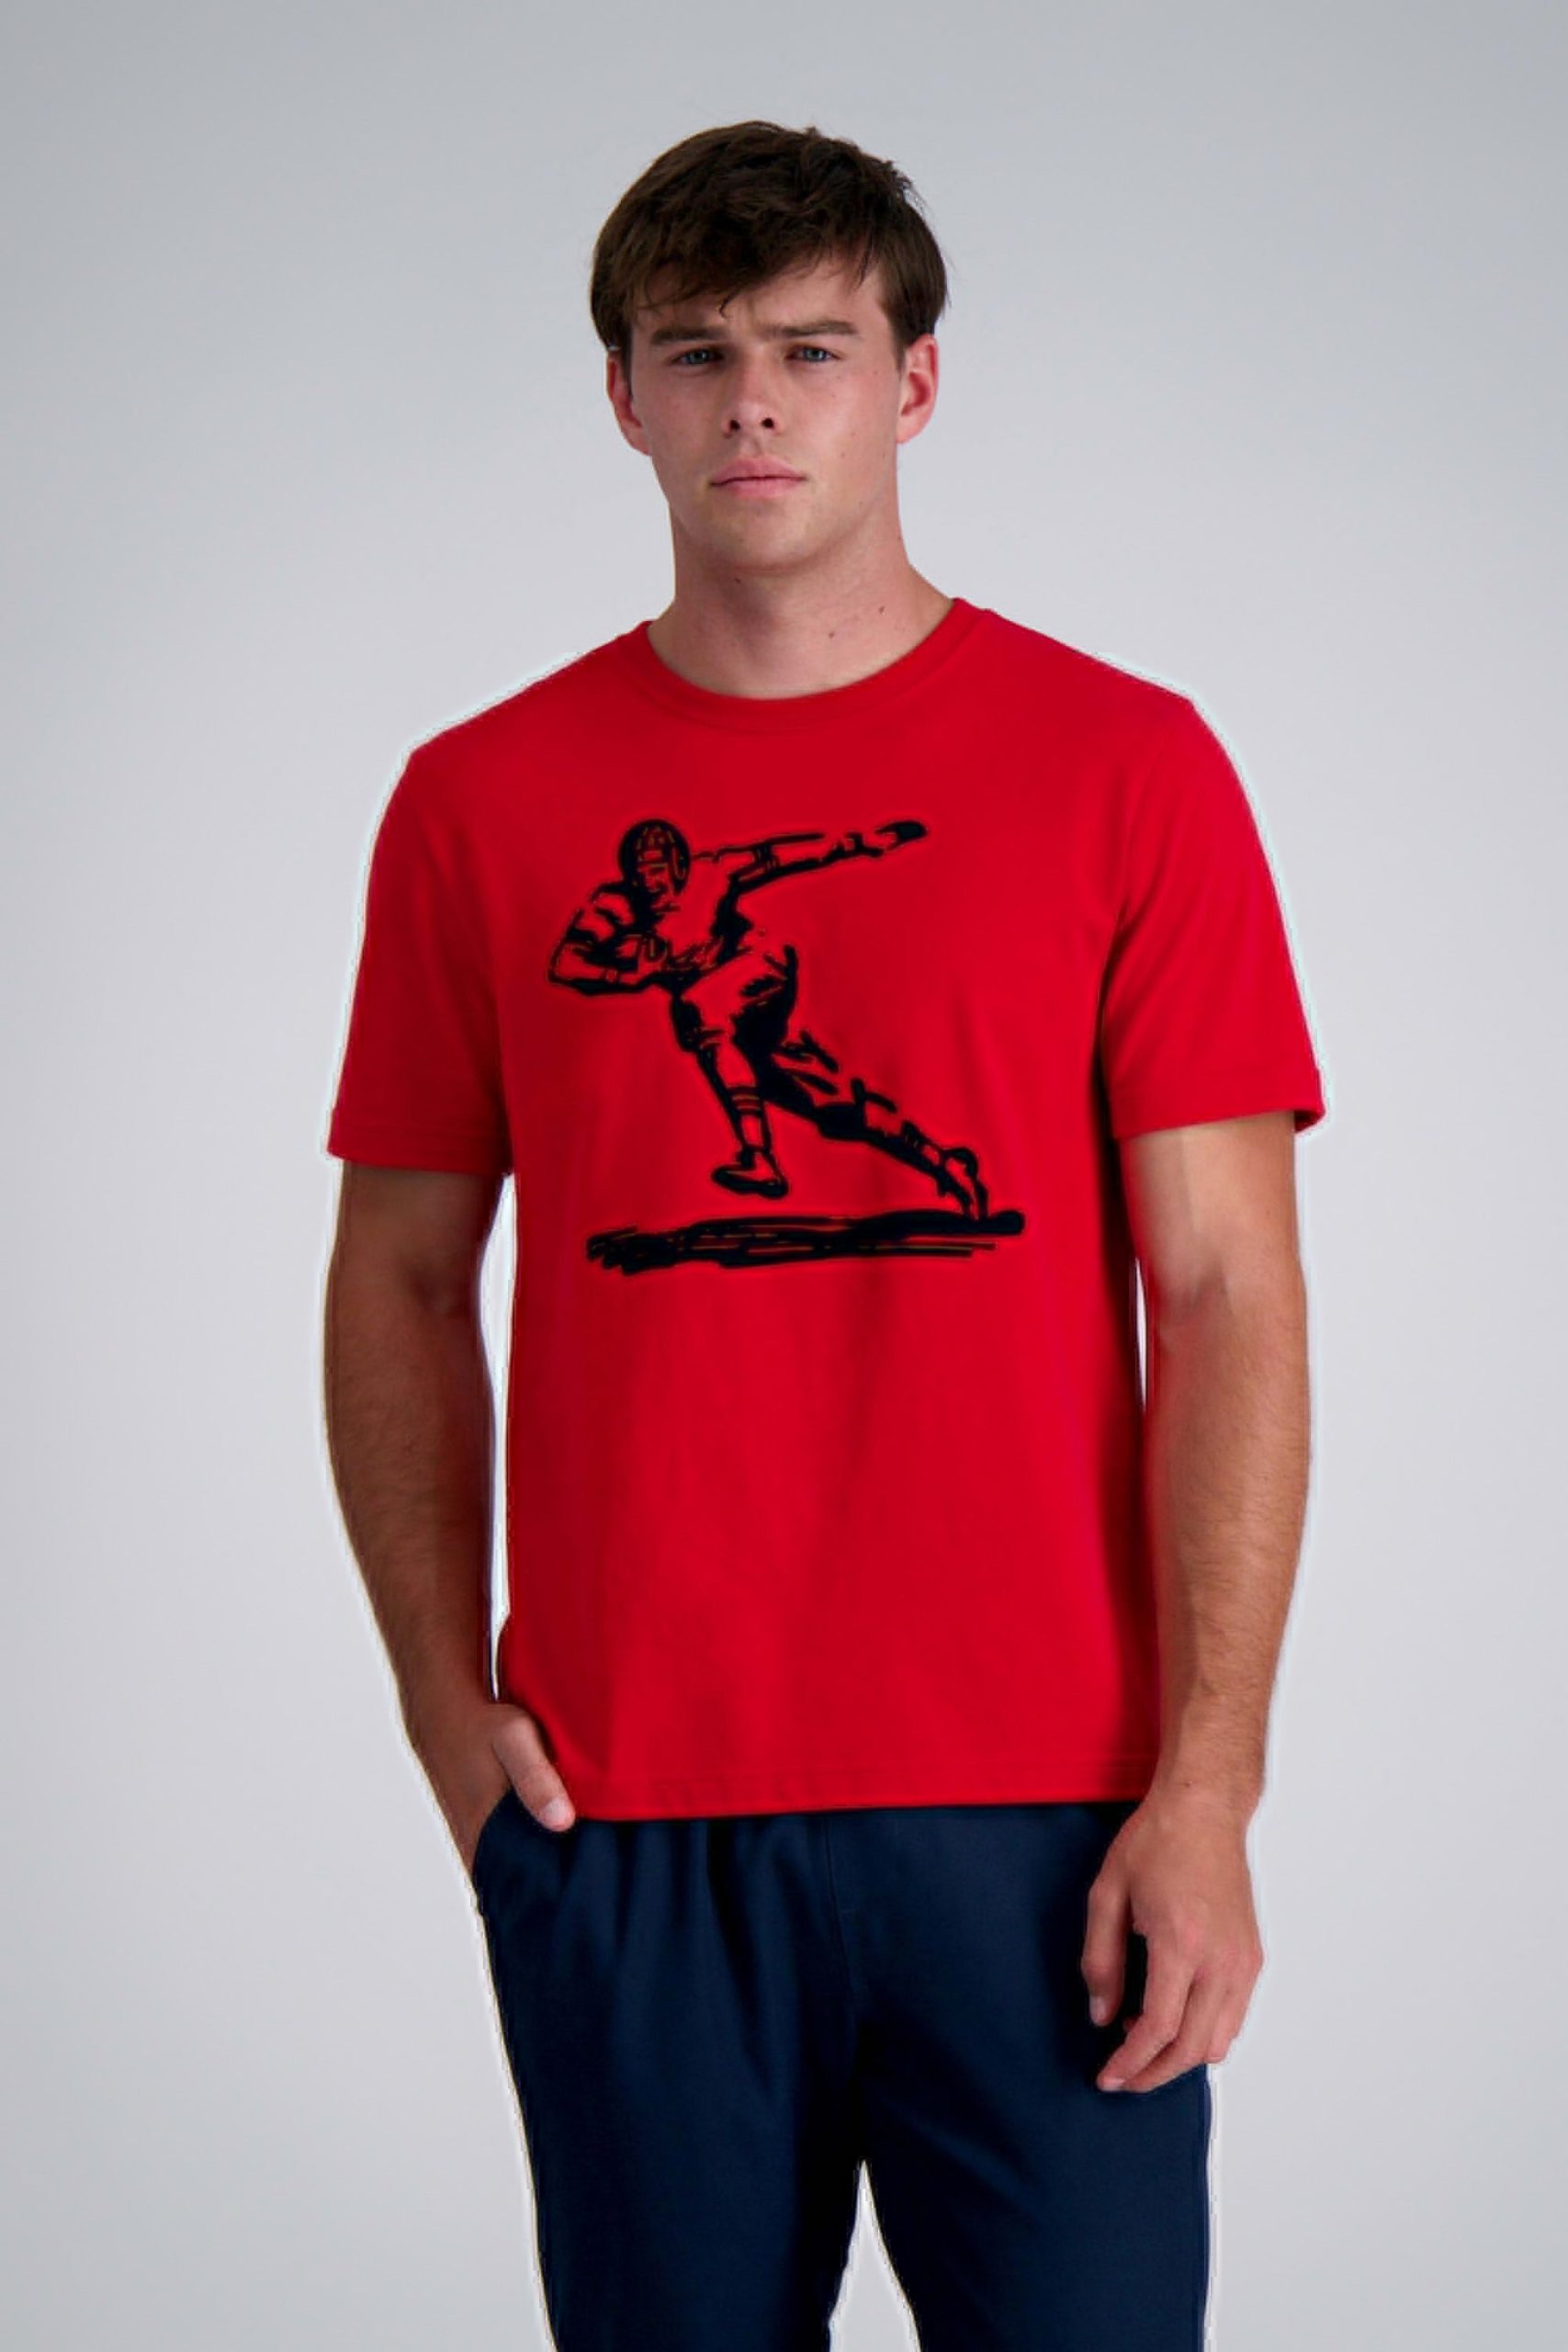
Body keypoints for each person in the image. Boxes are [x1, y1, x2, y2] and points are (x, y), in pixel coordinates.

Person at [321, 118, 1327, 2352]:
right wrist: (440, 1711)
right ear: (624, 397)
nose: (752, 404)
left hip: (1044, 1809)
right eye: (696, 354)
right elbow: (397, 1268)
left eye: (809, 348)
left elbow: (1225, 1294)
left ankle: (891, 1168)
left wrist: (1207, 1781)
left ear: (912, 383)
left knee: (825, 1101)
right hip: (629, 1800)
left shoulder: (1122, 766)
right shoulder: (483, 799)